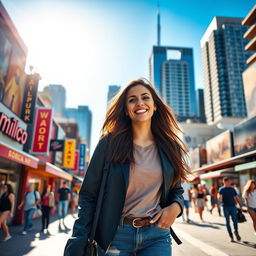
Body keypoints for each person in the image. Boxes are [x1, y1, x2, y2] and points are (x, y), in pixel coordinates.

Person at [64, 78, 189, 256]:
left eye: (145, 97)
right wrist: (78, 238)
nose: (140, 103)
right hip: (115, 236)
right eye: (132, 99)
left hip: (157, 235)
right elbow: (88, 195)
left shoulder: (170, 146)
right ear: (126, 110)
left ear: (154, 106)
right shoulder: (108, 144)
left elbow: (176, 188)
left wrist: (176, 206)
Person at [218, 177, 243, 242]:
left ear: (229, 182)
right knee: (227, 221)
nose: (228, 183)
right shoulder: (221, 189)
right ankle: (231, 236)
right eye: (226, 182)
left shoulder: (232, 189)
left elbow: (236, 197)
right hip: (225, 207)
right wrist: (219, 197)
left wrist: (240, 206)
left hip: (233, 206)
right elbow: (219, 197)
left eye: (228, 181)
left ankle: (236, 231)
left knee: (235, 220)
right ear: (224, 182)